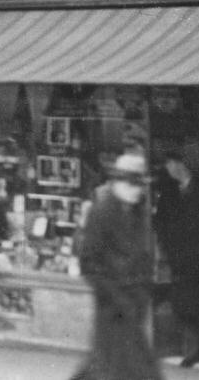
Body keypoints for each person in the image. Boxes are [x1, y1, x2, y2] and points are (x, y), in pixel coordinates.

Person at [71, 152, 163, 380]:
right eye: (133, 185)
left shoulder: (137, 210)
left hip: (133, 301)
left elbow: (142, 252)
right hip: (113, 304)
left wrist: (145, 286)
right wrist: (116, 296)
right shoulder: (101, 212)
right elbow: (89, 263)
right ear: (119, 183)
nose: (138, 190)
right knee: (128, 368)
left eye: (140, 185)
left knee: (114, 365)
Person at [153, 150, 199, 369]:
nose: (170, 169)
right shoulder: (169, 192)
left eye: (172, 164)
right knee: (185, 308)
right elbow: (161, 221)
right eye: (167, 166)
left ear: (182, 165)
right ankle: (195, 350)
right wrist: (168, 247)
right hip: (180, 259)